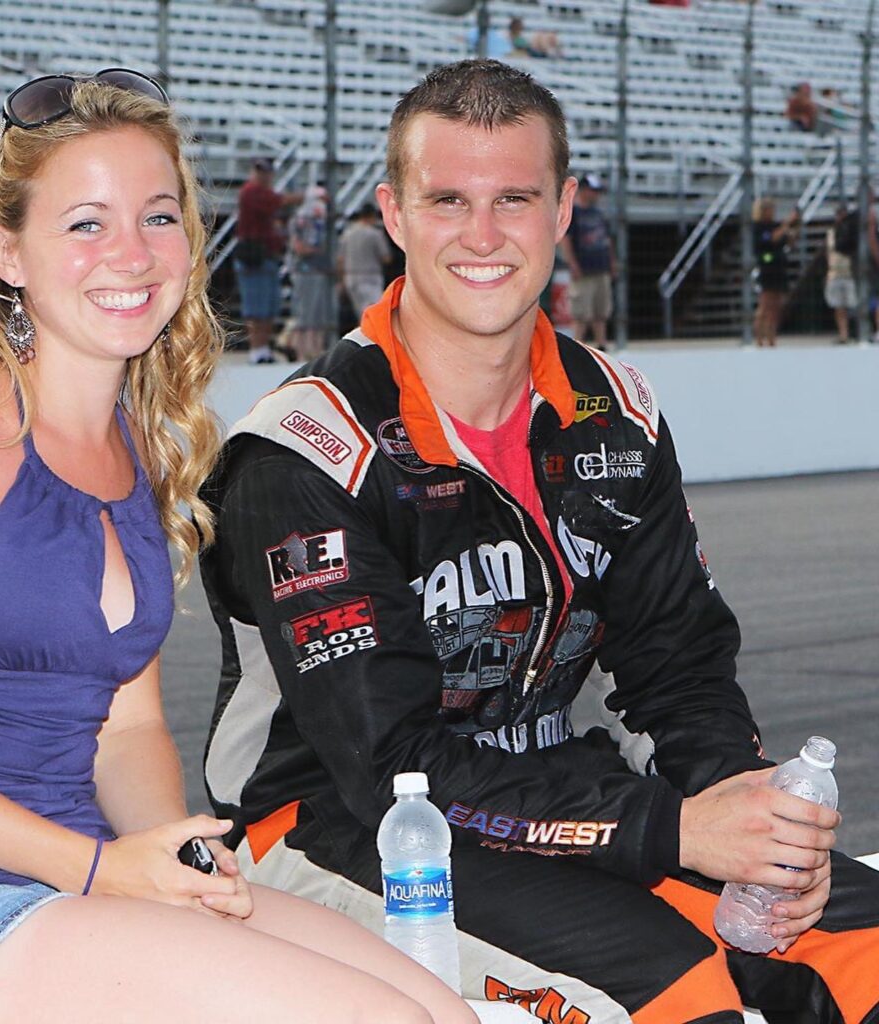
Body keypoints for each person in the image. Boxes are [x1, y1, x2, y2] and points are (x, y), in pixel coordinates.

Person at [201, 59, 879, 1022]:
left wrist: (749, 819)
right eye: (449, 200)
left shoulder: (616, 414)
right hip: (342, 826)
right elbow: (391, 756)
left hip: (562, 792)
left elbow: (676, 663)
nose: (483, 236)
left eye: (514, 198)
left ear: (563, 211)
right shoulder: (309, 449)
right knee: (687, 993)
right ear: (393, 215)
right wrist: (677, 829)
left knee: (866, 948)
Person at [0, 69, 479, 1024]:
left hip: (82, 884)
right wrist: (101, 867)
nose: (132, 254)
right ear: (5, 252)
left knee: (441, 1008)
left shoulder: (135, 446)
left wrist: (181, 859)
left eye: (157, 217)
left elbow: (128, 725)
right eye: (86, 223)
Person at [234, 156, 301, 364]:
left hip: (266, 255)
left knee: (268, 306)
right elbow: (277, 201)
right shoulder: (251, 192)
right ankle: (257, 348)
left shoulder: (258, 192)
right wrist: (301, 197)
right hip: (255, 255)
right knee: (257, 307)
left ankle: (263, 348)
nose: (263, 176)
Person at [559, 172, 615, 350]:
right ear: (583, 190)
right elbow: (565, 239)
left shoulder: (597, 213)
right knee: (581, 311)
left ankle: (602, 344)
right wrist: (572, 263)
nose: (596, 194)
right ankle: (577, 345)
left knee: (601, 310)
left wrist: (611, 262)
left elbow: (607, 240)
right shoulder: (574, 213)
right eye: (593, 190)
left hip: (600, 266)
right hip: (583, 268)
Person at [287, 185, 332, 362]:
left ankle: (315, 350)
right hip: (305, 270)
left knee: (318, 312)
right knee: (306, 311)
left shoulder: (320, 220)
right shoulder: (302, 219)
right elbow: (299, 247)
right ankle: (302, 351)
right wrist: (315, 250)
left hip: (319, 269)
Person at [752, 196, 799, 347]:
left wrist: (793, 232)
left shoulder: (775, 225)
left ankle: (772, 337)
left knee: (776, 306)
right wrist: (786, 224)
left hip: (779, 267)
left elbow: (786, 241)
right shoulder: (758, 227)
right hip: (767, 268)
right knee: (765, 303)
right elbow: (770, 239)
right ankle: (759, 338)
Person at [338, 202, 393, 320]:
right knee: (376, 315)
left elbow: (341, 259)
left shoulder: (348, 233)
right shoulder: (375, 234)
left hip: (351, 278)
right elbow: (386, 258)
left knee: (361, 315)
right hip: (370, 277)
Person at [825, 206, 858, 344]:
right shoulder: (832, 233)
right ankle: (843, 334)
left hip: (850, 272)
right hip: (835, 272)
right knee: (838, 306)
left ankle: (856, 332)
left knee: (854, 303)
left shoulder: (853, 233)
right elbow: (829, 252)